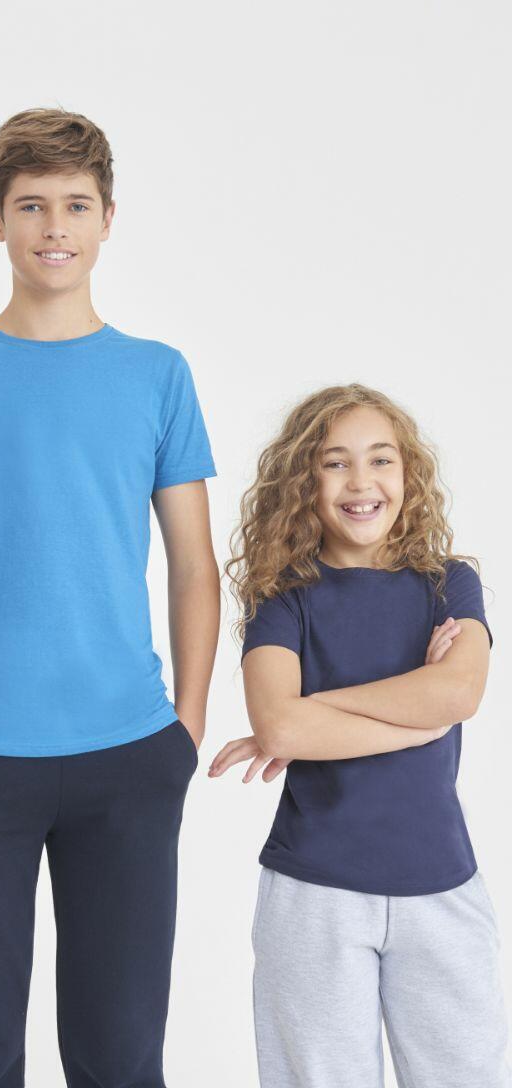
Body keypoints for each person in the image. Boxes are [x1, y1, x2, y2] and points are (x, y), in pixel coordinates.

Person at [0, 107, 220, 1087]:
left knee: (119, 1057)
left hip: (129, 754)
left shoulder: (157, 375)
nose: (53, 226)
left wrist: (185, 723)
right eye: (30, 206)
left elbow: (194, 563)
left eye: (73, 205)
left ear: (107, 219)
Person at [210, 384, 511, 1087]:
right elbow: (279, 723)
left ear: (407, 475)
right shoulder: (281, 598)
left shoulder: (449, 585)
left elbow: (459, 691)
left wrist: (319, 712)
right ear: (303, 482)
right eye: (335, 463)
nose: (361, 482)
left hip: (441, 884)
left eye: (380, 460)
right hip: (314, 892)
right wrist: (414, 720)